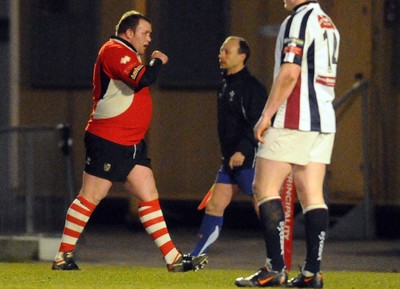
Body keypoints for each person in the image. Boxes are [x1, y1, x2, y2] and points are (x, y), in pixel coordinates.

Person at [51, 10, 208, 273]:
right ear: (128, 33)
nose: (148, 40)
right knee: (91, 196)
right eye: (145, 33)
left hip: (131, 141)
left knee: (148, 194)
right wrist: (157, 60)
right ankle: (62, 256)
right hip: (110, 139)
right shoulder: (114, 49)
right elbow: (142, 79)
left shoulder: (129, 53)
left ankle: (173, 259)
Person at [235, 1, 340, 288]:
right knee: (312, 195)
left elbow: (290, 72)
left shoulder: (299, 20)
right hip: (323, 120)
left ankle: (274, 268)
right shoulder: (327, 23)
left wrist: (266, 115)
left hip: (294, 117)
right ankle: (311, 274)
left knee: (264, 187)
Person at [191, 36, 267, 258]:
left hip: (248, 158)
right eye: (220, 51)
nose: (220, 55)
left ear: (242, 56)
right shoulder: (224, 85)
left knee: (264, 208)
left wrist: (243, 150)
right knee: (214, 206)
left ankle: (278, 257)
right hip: (230, 160)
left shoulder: (253, 88)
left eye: (226, 51)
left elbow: (257, 123)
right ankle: (196, 256)